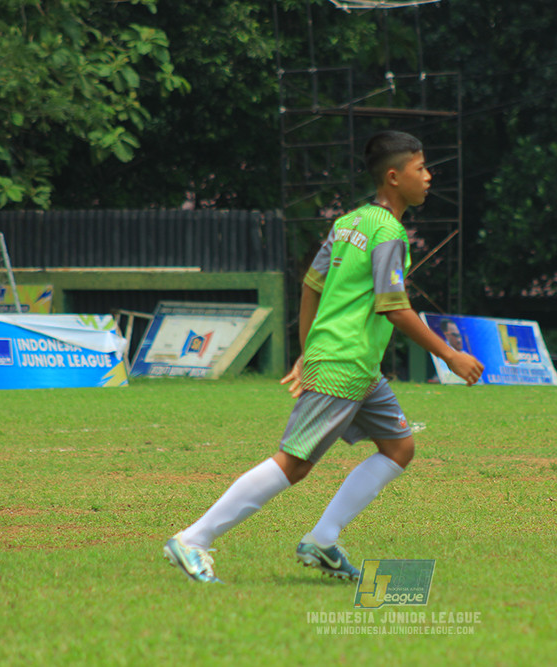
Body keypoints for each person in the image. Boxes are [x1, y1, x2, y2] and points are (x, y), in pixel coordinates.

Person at [163, 131, 485, 583]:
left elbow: (311, 284)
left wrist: (306, 350)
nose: (429, 177)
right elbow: (393, 306)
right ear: (394, 177)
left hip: (355, 367)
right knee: (293, 463)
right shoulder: (389, 231)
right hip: (345, 365)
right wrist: (450, 354)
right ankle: (194, 538)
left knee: (399, 447)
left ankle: (322, 540)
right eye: (420, 168)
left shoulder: (349, 222)